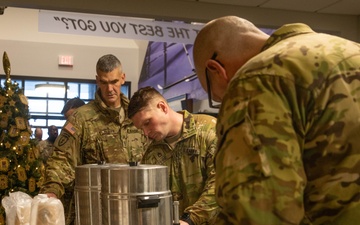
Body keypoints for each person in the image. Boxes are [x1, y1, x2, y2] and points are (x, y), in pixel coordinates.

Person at [192, 15, 360, 225]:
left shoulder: (257, 78)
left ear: (216, 69)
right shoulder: (352, 49)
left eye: (217, 98)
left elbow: (260, 212)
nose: (223, 102)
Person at [39, 54, 148, 225]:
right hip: (97, 211)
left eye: (114, 81)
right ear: (97, 80)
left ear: (123, 78)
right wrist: (52, 190)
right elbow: (61, 158)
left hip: (136, 209)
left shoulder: (137, 114)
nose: (110, 88)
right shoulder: (81, 118)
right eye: (104, 82)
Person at [128, 86, 219, 225]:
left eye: (147, 122)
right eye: (141, 128)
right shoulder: (152, 151)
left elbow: (220, 184)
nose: (146, 133)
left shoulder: (209, 131)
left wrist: (190, 220)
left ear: (162, 107)